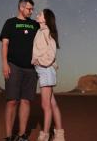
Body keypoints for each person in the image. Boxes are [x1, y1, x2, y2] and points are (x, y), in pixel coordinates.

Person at [0, 0, 40, 141]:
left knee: (26, 101)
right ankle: (9, 136)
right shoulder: (10, 23)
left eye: (32, 9)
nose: (31, 11)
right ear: (21, 8)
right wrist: (4, 64)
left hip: (31, 69)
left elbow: (45, 36)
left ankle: (22, 136)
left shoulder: (35, 24)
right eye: (29, 8)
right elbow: (4, 44)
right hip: (14, 66)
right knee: (12, 101)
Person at [31, 9, 65, 141]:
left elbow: (51, 55)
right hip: (44, 71)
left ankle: (44, 136)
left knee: (46, 106)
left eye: (40, 14)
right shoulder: (40, 31)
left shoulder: (47, 33)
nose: (37, 15)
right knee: (53, 104)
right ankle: (60, 136)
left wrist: (38, 61)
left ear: (45, 19)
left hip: (45, 71)